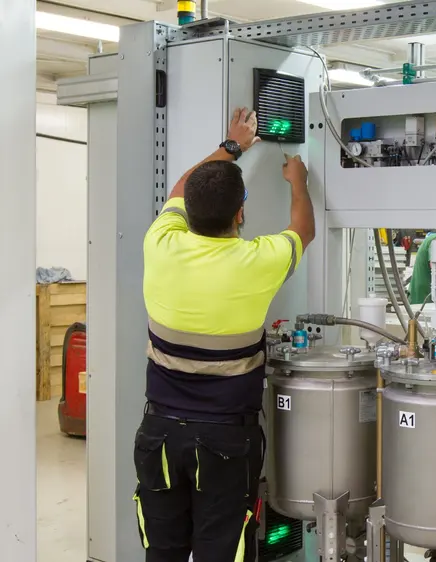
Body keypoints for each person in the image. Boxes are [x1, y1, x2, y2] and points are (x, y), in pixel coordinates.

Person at [133, 107, 315, 562]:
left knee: (164, 551)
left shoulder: (160, 244)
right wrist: (298, 181)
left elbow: (180, 187)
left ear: (186, 212)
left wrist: (232, 146)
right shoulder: (258, 261)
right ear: (241, 213)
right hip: (226, 444)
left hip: (159, 437)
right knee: (224, 552)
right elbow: (303, 230)